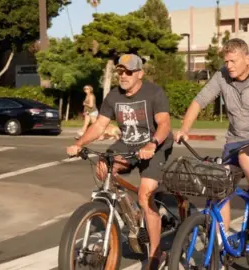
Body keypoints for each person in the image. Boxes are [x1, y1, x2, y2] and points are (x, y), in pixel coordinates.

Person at [67, 53, 173, 269]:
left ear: (140, 73)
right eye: (120, 72)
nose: (123, 76)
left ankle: (155, 254)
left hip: (155, 145)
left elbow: (164, 124)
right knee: (103, 166)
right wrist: (79, 143)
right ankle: (133, 216)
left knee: (145, 195)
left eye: (128, 72)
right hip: (128, 143)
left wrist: (152, 144)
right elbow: (99, 126)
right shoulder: (113, 96)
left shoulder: (154, 92)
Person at [175, 38, 249, 237]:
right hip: (234, 140)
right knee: (218, 187)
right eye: (226, 61)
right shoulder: (222, 76)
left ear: (247, 59)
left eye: (233, 61)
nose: (229, 66)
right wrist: (184, 128)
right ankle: (221, 244)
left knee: (246, 157)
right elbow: (199, 101)